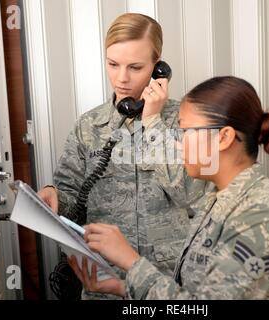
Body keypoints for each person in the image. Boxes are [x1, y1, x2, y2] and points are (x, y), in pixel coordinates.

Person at [69, 76, 269, 299]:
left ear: (223, 138)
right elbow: (193, 292)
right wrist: (123, 287)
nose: (178, 143)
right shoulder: (216, 200)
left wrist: (131, 263)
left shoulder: (261, 221)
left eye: (185, 132)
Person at [37, 13, 207, 299]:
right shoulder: (88, 126)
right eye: (113, 64)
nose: (122, 78)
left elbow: (191, 194)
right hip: (104, 282)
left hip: (168, 285)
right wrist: (53, 195)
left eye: (136, 67)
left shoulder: (186, 121)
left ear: (158, 67)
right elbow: (70, 194)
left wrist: (153, 122)